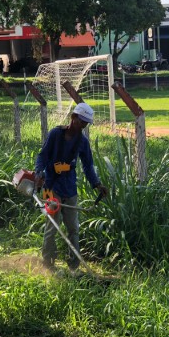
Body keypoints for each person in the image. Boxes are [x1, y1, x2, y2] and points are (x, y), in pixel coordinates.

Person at [34, 102, 108, 270]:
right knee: (52, 226)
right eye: (82, 121)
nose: (83, 125)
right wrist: (38, 173)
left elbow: (88, 165)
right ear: (73, 117)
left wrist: (96, 184)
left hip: (70, 189)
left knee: (73, 228)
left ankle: (74, 266)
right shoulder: (55, 134)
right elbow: (42, 156)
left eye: (86, 123)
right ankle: (48, 262)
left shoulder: (82, 142)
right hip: (50, 187)